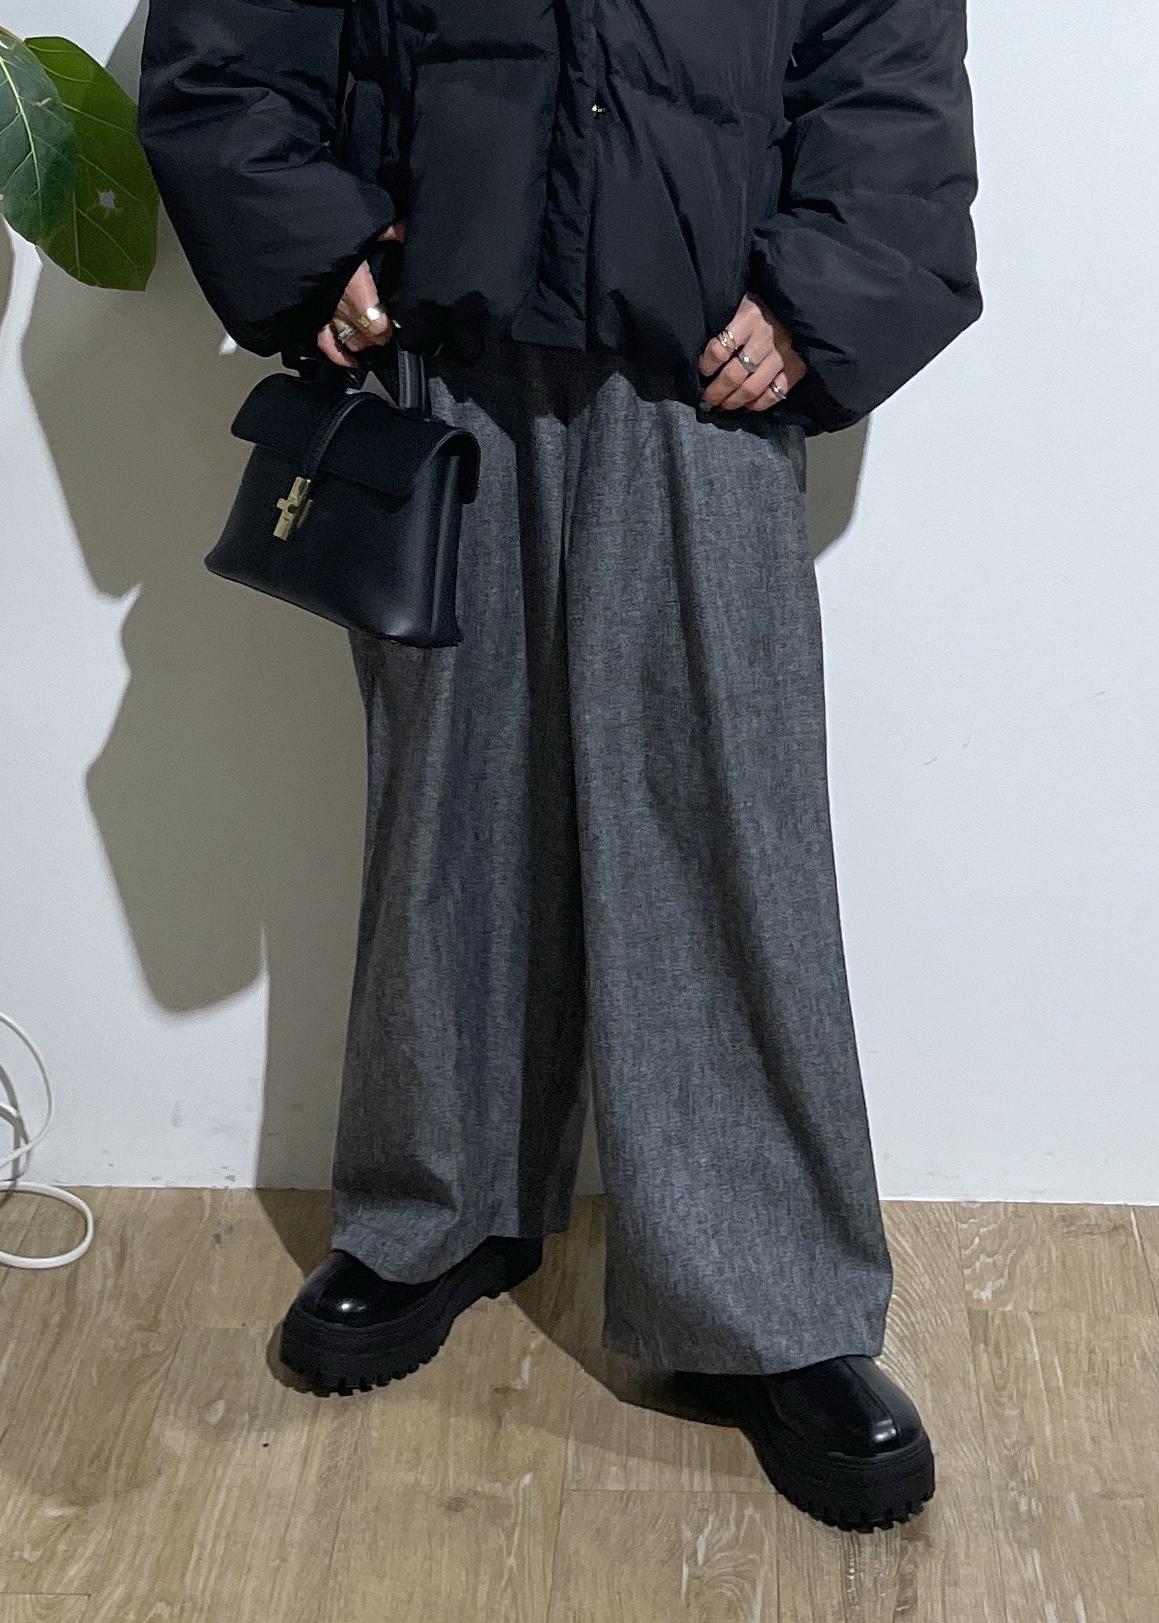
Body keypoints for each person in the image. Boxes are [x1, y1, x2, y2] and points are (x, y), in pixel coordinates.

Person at [137, 0, 980, 1531]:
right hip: (441, 340)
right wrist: (314, 248)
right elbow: (227, 34)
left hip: (703, 355)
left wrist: (822, 292)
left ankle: (769, 1296)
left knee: (724, 824)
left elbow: (889, 52)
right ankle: (438, 1206)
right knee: (448, 815)